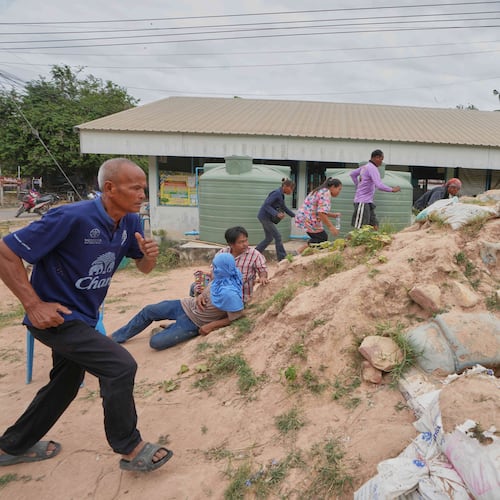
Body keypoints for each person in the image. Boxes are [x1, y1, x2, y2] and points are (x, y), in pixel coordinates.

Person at [0, 158, 173, 472]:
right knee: (120, 366)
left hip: (85, 318)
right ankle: (130, 447)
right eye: (135, 188)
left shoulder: (132, 221)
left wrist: (149, 258)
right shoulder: (70, 217)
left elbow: (144, 268)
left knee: (64, 385)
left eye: (143, 189)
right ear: (109, 188)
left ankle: (12, 446)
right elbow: (5, 252)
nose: (142, 195)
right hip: (56, 319)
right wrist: (34, 305)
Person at [111, 253, 244, 349]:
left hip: (194, 322)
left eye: (215, 266)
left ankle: (173, 328)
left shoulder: (230, 293)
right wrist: (200, 296)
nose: (212, 269)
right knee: (149, 310)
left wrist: (210, 326)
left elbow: (235, 317)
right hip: (184, 305)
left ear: (223, 268)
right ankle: (117, 337)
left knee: (156, 343)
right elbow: (207, 289)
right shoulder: (220, 277)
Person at [191, 226, 269, 304]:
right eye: (240, 242)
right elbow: (213, 272)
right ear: (231, 244)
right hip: (220, 293)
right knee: (194, 287)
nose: (245, 244)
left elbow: (262, 270)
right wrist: (202, 289)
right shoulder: (222, 253)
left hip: (240, 297)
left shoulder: (254, 254)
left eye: (245, 240)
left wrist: (263, 277)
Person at [350, 149, 401, 230]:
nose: (381, 162)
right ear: (377, 158)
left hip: (368, 202)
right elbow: (379, 185)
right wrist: (392, 190)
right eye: (381, 159)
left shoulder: (365, 167)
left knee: (374, 225)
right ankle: (351, 242)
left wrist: (358, 185)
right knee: (360, 228)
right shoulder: (372, 168)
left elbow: (352, 174)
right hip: (362, 202)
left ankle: (376, 240)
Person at [294, 177, 343, 253]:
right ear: (333, 187)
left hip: (305, 216)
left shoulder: (320, 190)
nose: (339, 192)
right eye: (339, 189)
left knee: (320, 238)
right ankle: (299, 251)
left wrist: (333, 215)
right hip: (308, 218)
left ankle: (304, 252)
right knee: (321, 238)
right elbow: (321, 213)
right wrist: (331, 227)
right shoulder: (326, 193)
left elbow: (318, 210)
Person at [255, 178, 296, 262]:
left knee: (269, 238)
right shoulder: (276, 193)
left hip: (265, 217)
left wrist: (295, 216)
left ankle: (254, 253)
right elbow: (266, 205)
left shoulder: (281, 195)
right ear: (285, 186)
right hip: (264, 217)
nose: (291, 191)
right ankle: (282, 258)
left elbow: (284, 208)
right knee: (278, 236)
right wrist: (276, 213)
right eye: (291, 188)